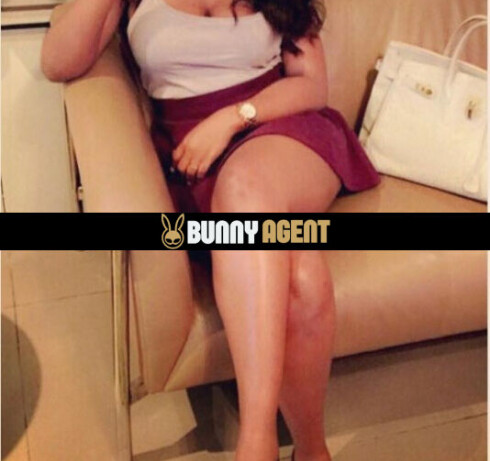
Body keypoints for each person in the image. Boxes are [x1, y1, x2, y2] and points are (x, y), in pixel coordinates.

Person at [42, 1, 381, 460]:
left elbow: (311, 85)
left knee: (245, 189)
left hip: (285, 133)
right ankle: (311, 451)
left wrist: (235, 117)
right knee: (300, 277)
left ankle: (256, 442)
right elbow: (58, 62)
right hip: (194, 159)